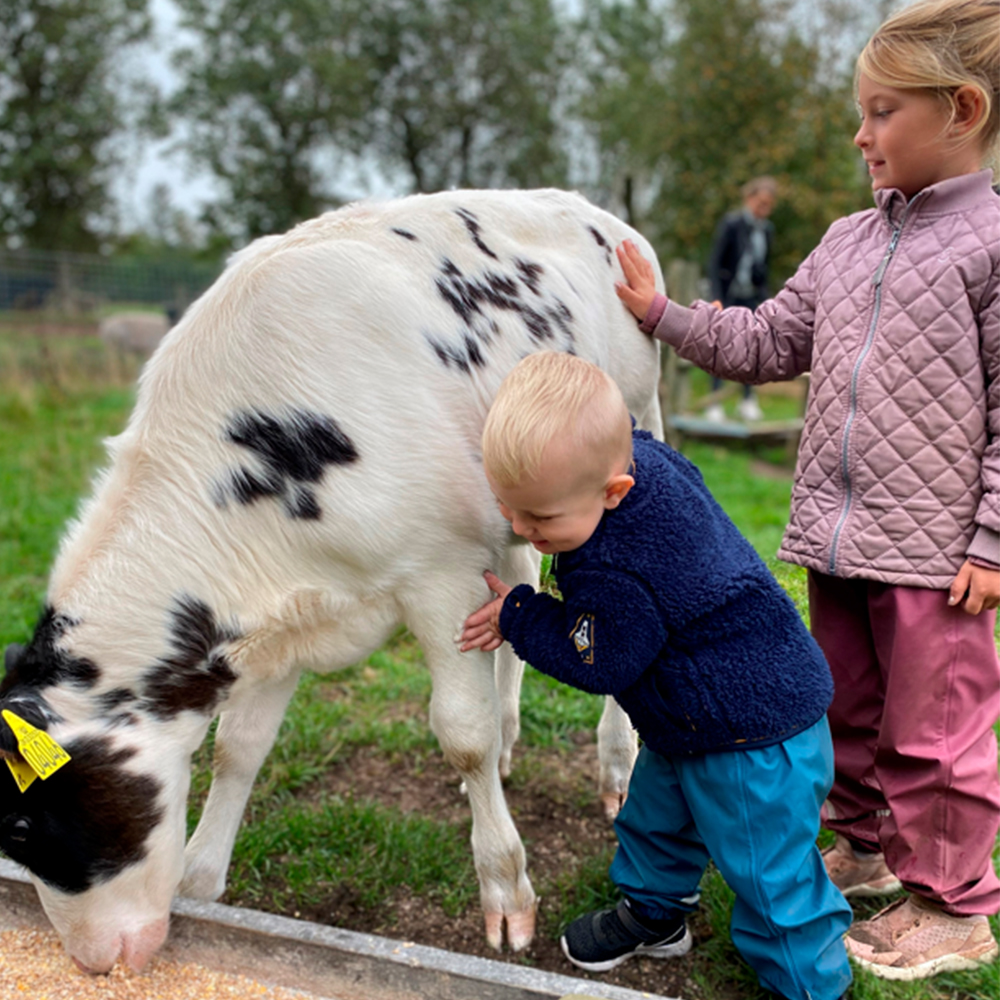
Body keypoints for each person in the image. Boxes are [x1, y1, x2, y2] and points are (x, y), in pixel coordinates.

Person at [614, 0, 1000, 981]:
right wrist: (661, 314)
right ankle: (866, 854)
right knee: (842, 711)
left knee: (934, 732)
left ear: (961, 108)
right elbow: (765, 342)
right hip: (839, 542)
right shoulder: (842, 242)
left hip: (938, 557)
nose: (859, 135)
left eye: (880, 113)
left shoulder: (991, 245)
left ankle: (953, 906)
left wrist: (991, 540)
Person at [459, 350, 852, 1000]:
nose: (521, 531)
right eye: (510, 509)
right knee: (656, 819)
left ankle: (813, 986)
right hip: (691, 717)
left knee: (771, 878)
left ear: (615, 491)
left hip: (754, 738)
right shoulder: (639, 458)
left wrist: (521, 615)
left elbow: (599, 655)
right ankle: (655, 916)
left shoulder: (615, 572)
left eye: (542, 519)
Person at [703, 176, 778, 423]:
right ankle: (714, 402)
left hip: (751, 296)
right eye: (760, 202)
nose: (763, 209)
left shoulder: (766, 231)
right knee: (721, 345)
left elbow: (764, 268)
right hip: (728, 294)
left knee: (752, 347)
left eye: (768, 204)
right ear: (749, 199)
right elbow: (715, 262)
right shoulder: (732, 224)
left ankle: (747, 399)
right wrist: (717, 298)